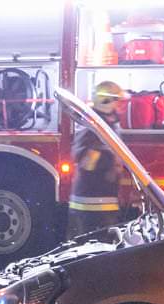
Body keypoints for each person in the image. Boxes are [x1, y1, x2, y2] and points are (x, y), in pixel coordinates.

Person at [66, 81, 125, 239]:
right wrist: (109, 164)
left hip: (103, 201)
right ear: (105, 101)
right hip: (90, 204)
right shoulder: (92, 127)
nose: (120, 105)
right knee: (88, 251)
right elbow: (86, 163)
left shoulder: (109, 125)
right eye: (117, 100)